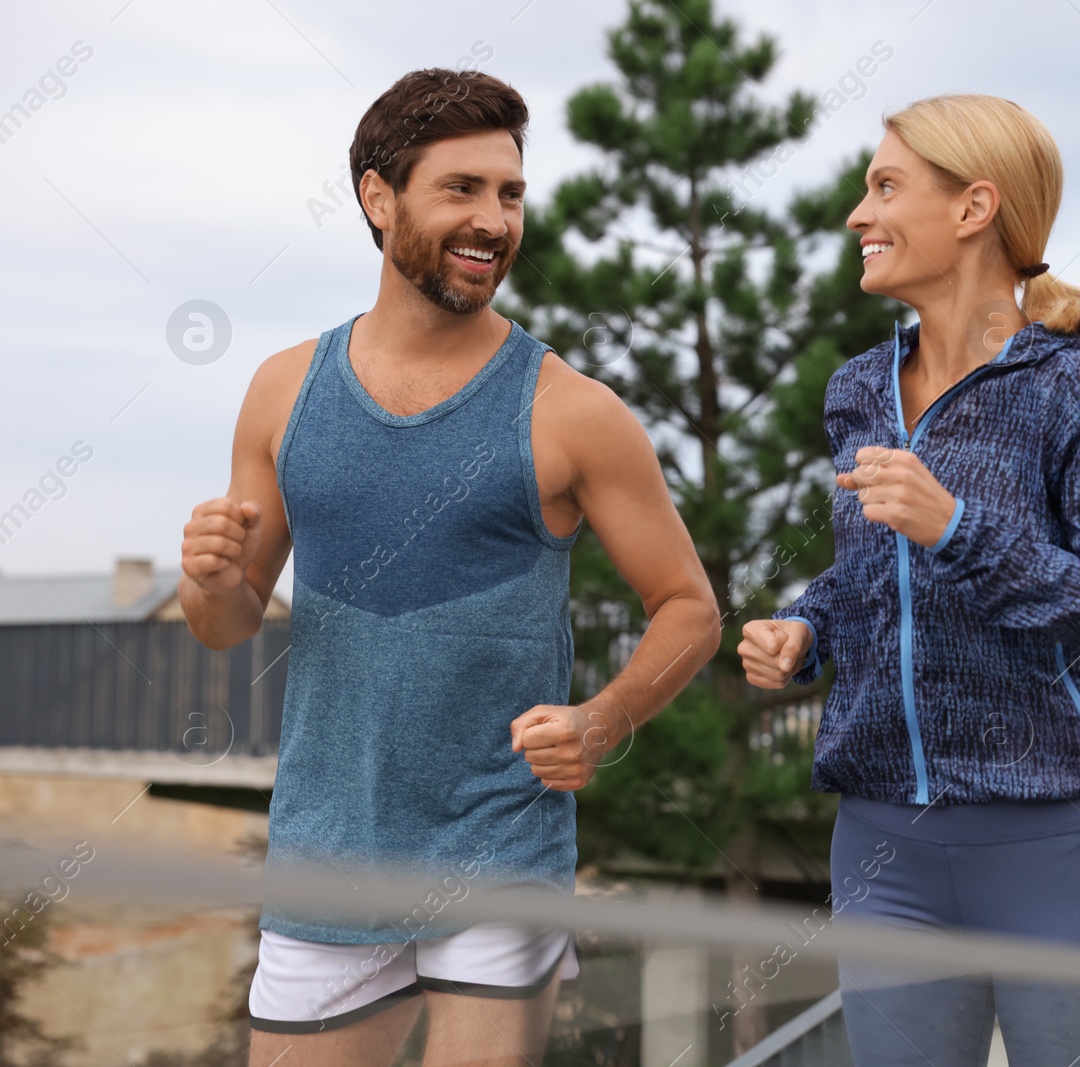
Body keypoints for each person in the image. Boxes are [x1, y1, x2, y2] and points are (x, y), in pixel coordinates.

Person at [179, 68, 721, 1067]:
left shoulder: (571, 410)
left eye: (509, 193)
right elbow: (228, 621)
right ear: (377, 199)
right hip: (327, 855)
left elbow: (688, 606)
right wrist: (210, 580)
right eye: (461, 189)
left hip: (499, 847)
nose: (494, 220)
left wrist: (603, 719)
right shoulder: (282, 389)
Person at [738, 94, 1080, 1067]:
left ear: (974, 207)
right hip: (880, 845)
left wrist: (959, 529)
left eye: (884, 186)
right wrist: (808, 628)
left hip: (1044, 847)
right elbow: (872, 574)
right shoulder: (856, 388)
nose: (858, 214)